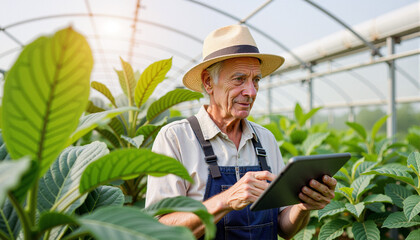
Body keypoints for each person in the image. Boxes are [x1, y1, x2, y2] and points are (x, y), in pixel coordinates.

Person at [146, 24, 336, 240]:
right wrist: (225, 200)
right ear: (208, 82)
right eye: (239, 79)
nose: (251, 92)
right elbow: (161, 229)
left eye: (256, 80)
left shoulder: (265, 139)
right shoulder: (176, 138)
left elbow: (284, 227)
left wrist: (304, 206)